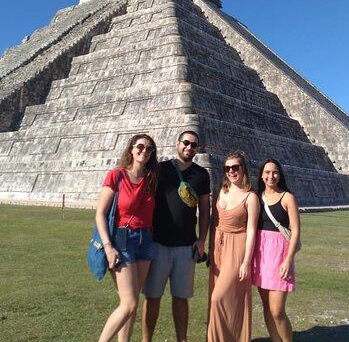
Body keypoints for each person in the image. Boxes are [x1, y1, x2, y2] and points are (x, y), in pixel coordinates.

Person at [141, 130, 211, 342]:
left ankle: (182, 340)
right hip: (158, 244)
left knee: (181, 299)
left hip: (186, 246)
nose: (189, 148)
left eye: (194, 145)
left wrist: (201, 240)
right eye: (186, 143)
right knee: (152, 298)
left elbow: (205, 210)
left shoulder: (201, 175)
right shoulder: (160, 169)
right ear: (177, 143)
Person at [95, 134, 159, 342]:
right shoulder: (116, 175)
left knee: (131, 303)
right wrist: (108, 247)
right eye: (140, 146)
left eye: (149, 149)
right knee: (129, 303)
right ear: (131, 149)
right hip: (122, 239)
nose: (144, 151)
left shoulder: (151, 180)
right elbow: (100, 214)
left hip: (146, 240)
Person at [207, 151, 260, 342]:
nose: (231, 171)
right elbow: (214, 222)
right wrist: (211, 248)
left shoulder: (251, 197)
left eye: (235, 167)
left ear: (243, 168)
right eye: (227, 168)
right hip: (218, 247)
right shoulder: (221, 190)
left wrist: (246, 261)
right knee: (218, 296)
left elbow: (252, 230)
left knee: (219, 298)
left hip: (237, 247)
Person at [251, 159, 300, 342]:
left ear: (280, 175)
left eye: (275, 172)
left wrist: (288, 259)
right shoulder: (257, 197)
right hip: (261, 255)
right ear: (262, 175)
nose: (271, 176)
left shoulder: (287, 197)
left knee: (277, 310)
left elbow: (295, 231)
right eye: (267, 172)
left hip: (280, 256)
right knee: (266, 306)